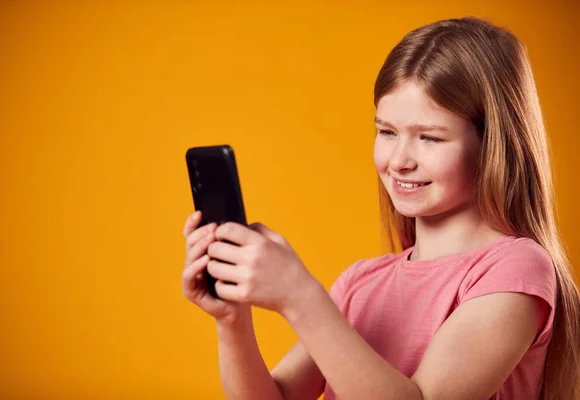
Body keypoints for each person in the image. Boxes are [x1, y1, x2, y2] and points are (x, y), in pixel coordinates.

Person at [182, 16, 580, 400]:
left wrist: (299, 296)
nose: (399, 160)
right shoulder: (360, 283)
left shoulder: (516, 269)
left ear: (493, 145)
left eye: (430, 137)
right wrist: (231, 319)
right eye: (387, 132)